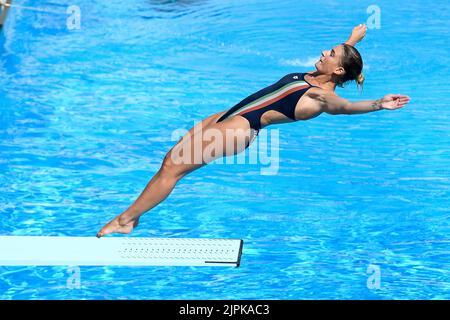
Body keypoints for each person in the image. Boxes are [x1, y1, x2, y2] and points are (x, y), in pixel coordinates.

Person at [97, 24, 410, 237]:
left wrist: (377, 104)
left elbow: (345, 107)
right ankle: (132, 216)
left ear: (338, 70)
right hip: (230, 114)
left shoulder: (323, 97)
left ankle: (126, 220)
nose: (325, 53)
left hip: (241, 127)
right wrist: (352, 40)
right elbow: (342, 62)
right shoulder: (320, 74)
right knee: (169, 160)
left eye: (331, 54)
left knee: (172, 170)